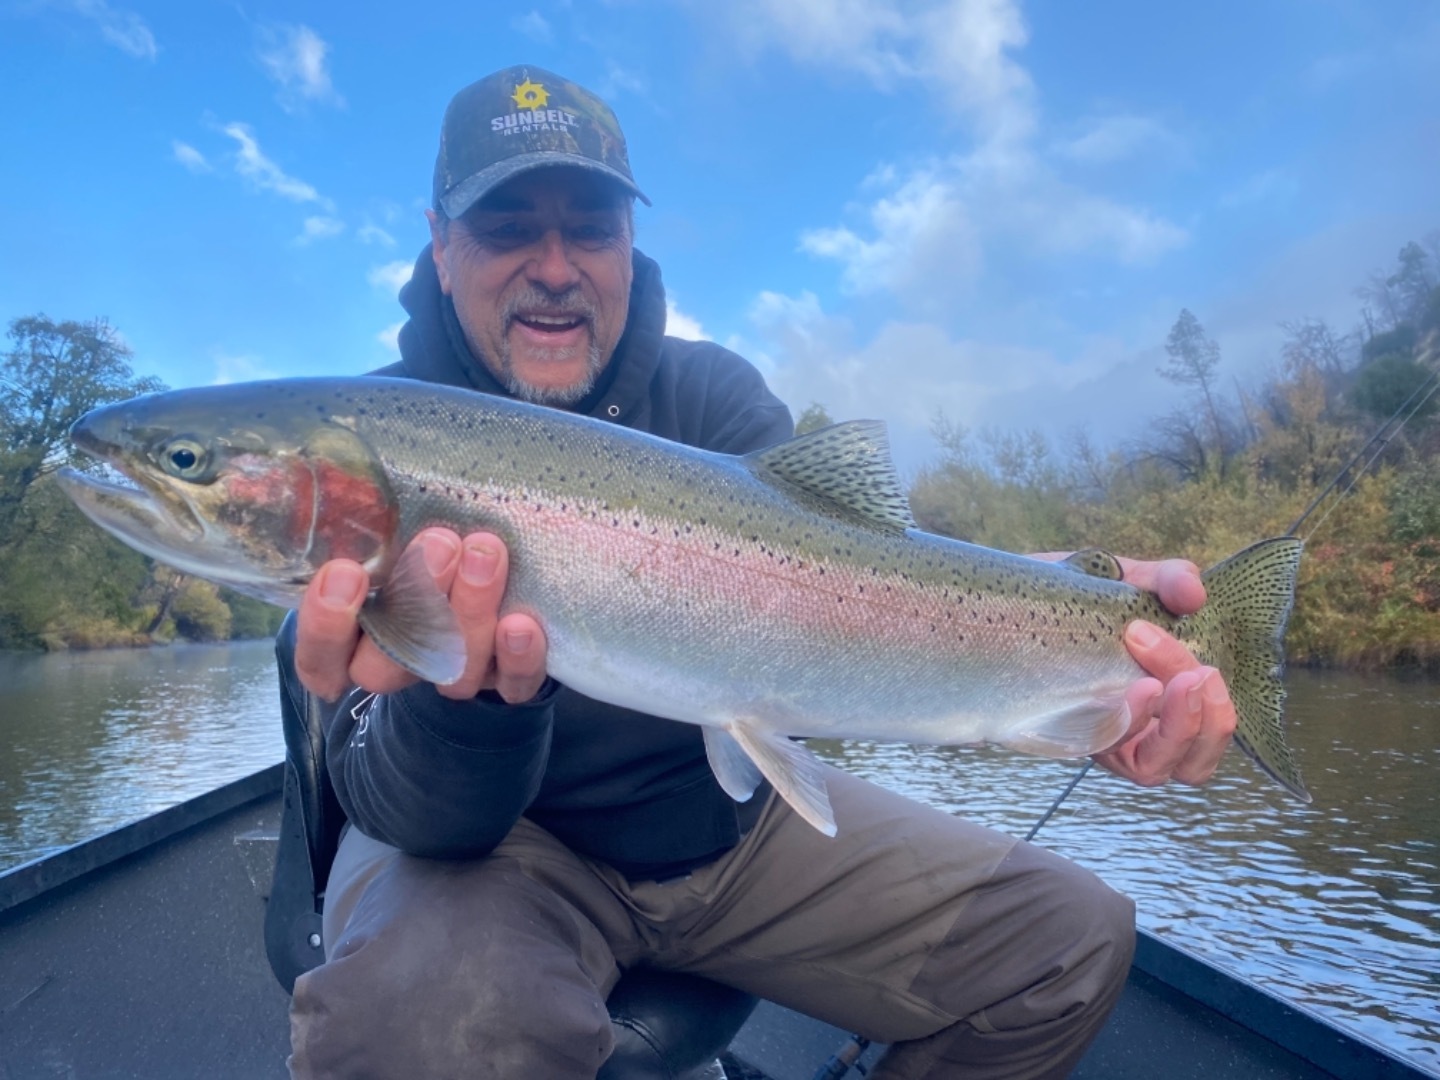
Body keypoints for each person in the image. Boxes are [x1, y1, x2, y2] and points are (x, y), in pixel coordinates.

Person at [278, 65, 1238, 1080]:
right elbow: (417, 819)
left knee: (1073, 942)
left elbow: (852, 585)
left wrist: (1059, 651)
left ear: (628, 247)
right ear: (439, 244)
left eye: (590, 229)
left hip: (728, 825)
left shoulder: (716, 398)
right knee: (414, 1030)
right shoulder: (370, 446)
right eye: (509, 227)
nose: (554, 265)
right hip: (498, 854)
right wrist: (470, 703)